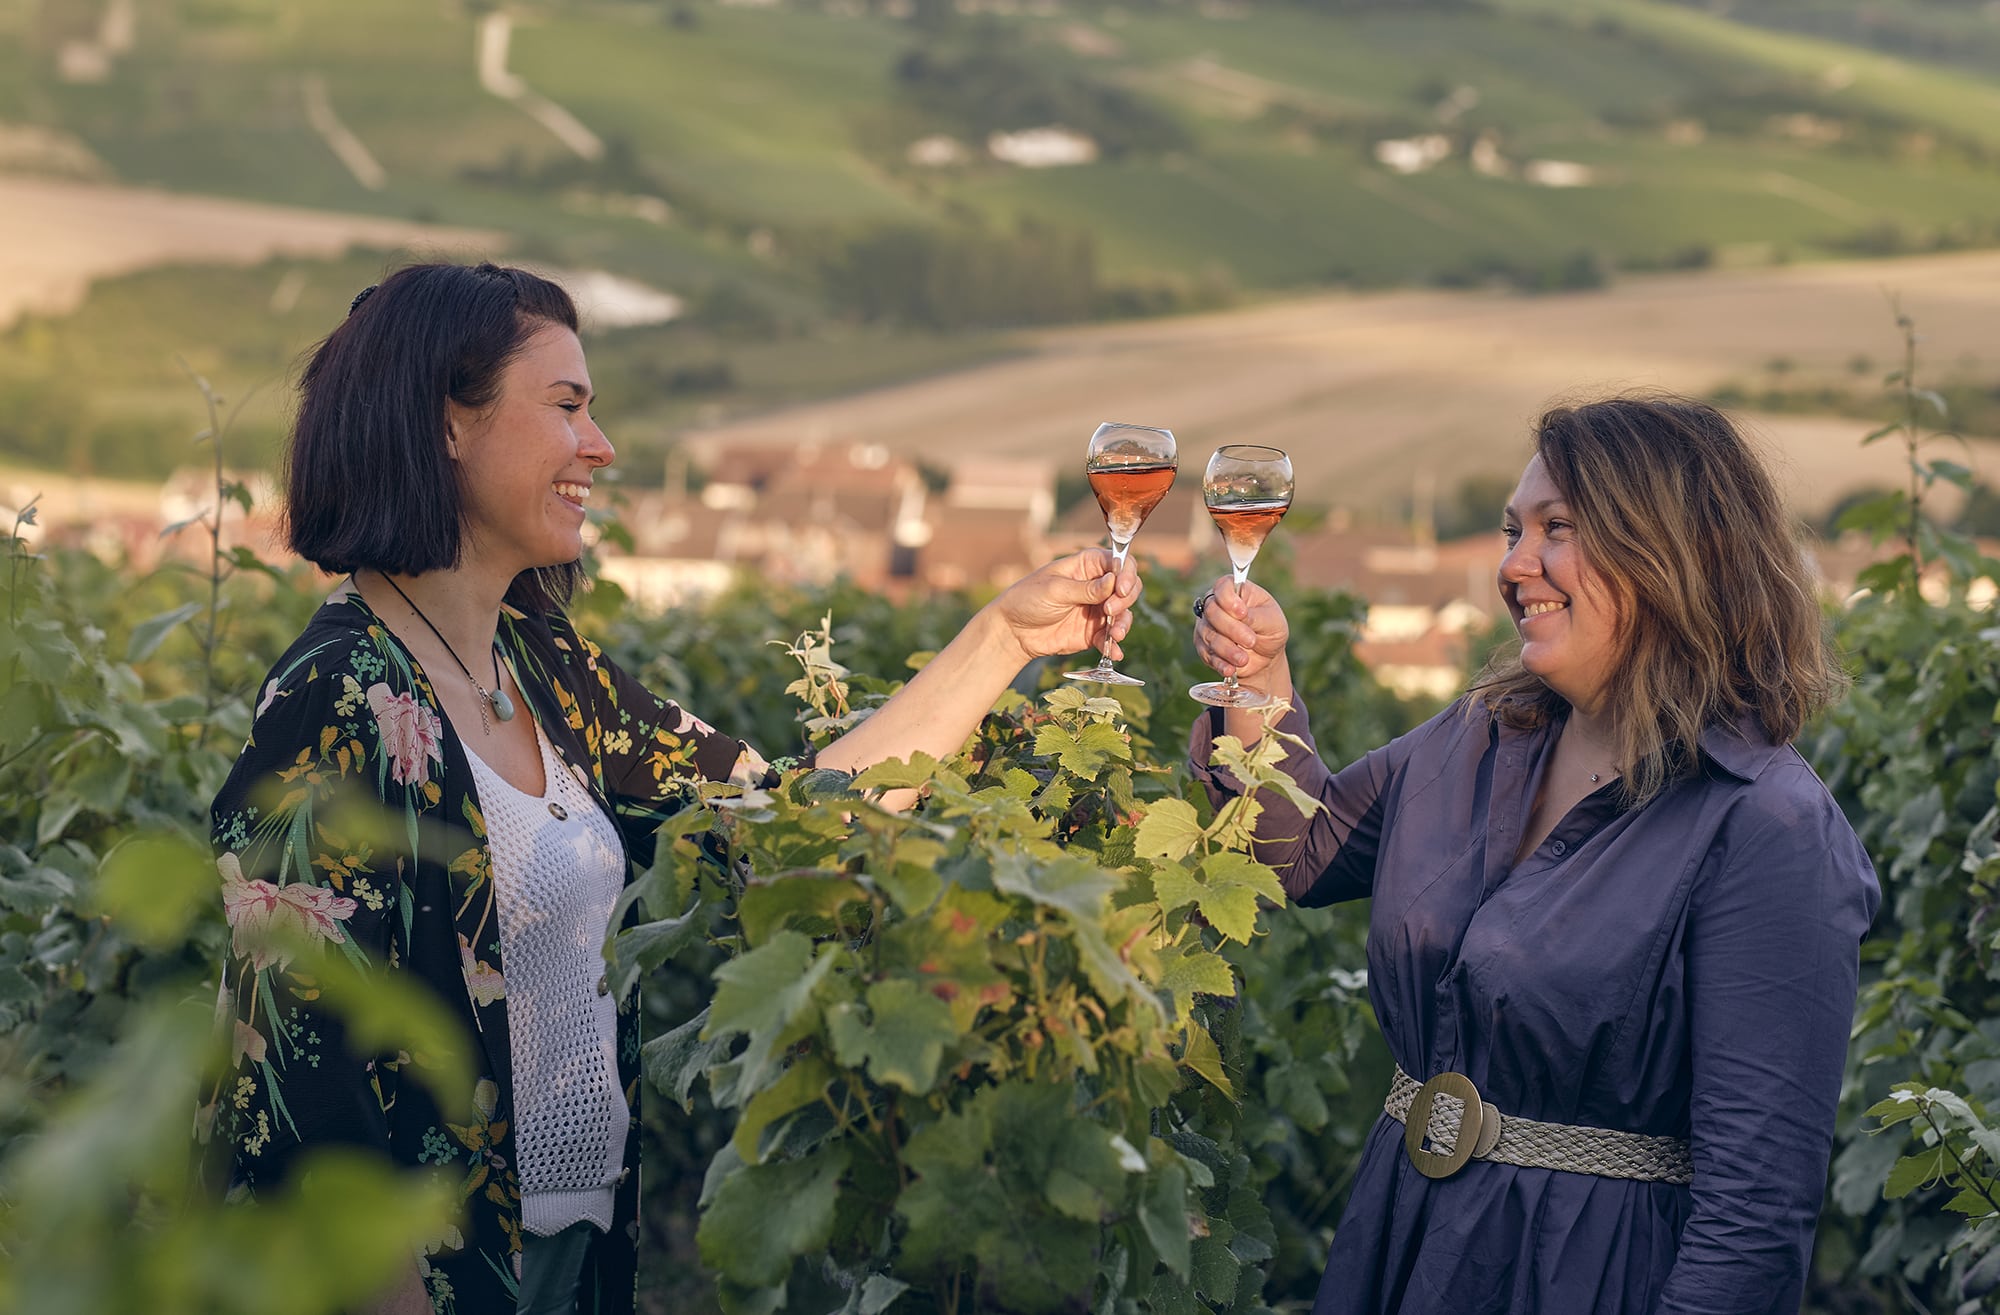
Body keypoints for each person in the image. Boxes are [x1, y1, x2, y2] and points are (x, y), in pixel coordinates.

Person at [200, 262, 1141, 1315]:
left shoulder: (545, 667)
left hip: (570, 1259)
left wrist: (1002, 637)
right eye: (566, 407)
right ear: (446, 422)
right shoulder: (335, 698)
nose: (598, 446)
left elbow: (785, 828)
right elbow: (295, 1088)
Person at [1187, 396, 1879, 1314]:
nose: (1514, 565)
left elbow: (1752, 1221)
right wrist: (1261, 682)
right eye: (1515, 529)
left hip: (1582, 1275)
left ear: (1672, 549)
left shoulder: (1768, 829)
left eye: (1557, 529)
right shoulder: (1473, 736)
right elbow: (1298, 849)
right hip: (1403, 1244)